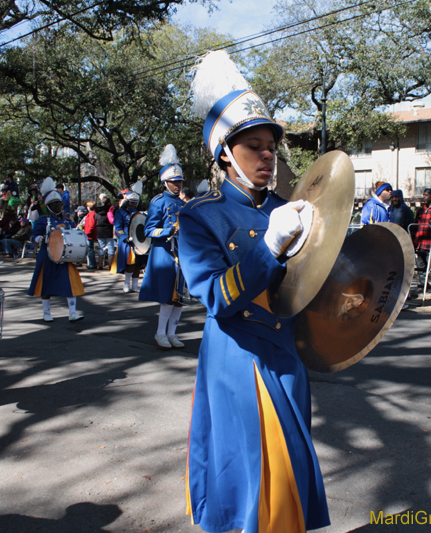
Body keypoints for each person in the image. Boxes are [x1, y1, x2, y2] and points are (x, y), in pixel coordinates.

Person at [178, 50, 329, 532]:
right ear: (224, 152)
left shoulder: (292, 207)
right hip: (238, 360)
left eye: (271, 146)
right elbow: (218, 298)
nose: (268, 155)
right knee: (251, 479)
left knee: (288, 476)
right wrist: (269, 247)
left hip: (287, 354)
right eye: (253, 146)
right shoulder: (200, 216)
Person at [139, 145, 187, 349]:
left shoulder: (183, 205)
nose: (178, 185)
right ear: (165, 183)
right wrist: (169, 231)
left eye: (179, 182)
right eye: (174, 182)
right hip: (164, 254)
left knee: (180, 297)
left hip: (182, 253)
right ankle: (160, 333)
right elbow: (148, 230)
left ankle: (172, 333)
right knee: (167, 296)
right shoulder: (157, 203)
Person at [27, 178, 85, 322]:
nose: (58, 206)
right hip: (47, 256)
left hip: (65, 256)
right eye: (54, 204)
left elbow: (74, 235)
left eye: (59, 203)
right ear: (48, 206)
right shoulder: (43, 220)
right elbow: (32, 235)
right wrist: (39, 239)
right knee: (46, 284)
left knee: (70, 283)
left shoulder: (67, 221)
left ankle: (72, 313)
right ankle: (46, 312)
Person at [111, 184, 145, 292]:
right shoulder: (121, 212)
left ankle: (135, 285)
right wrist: (124, 237)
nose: (134, 204)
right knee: (131, 263)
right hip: (128, 240)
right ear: (127, 202)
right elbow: (118, 226)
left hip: (139, 241)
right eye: (132, 202)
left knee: (138, 264)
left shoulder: (139, 213)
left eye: (135, 202)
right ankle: (126, 284)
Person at [94, 193, 115, 269]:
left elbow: (95, 220)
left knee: (101, 247)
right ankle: (111, 265)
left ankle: (100, 265)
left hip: (99, 231)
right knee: (110, 248)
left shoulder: (97, 212)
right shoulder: (110, 211)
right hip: (108, 231)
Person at [79, 201, 98, 269]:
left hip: (89, 234)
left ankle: (92, 264)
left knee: (90, 249)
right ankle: (91, 263)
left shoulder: (91, 214)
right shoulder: (92, 214)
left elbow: (91, 225)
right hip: (90, 233)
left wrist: (87, 232)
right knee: (90, 249)